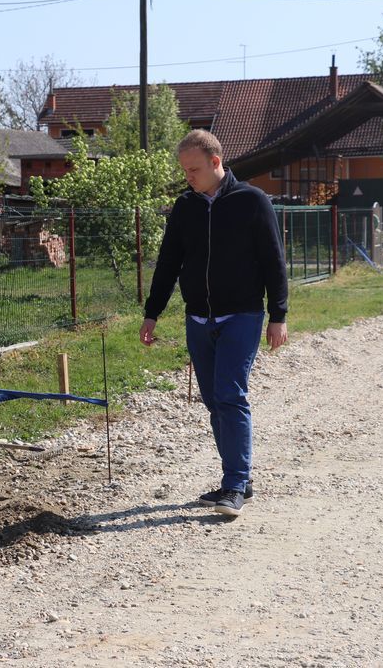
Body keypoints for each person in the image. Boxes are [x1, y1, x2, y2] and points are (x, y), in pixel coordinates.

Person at [140, 129, 288, 516]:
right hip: (198, 318)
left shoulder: (252, 201)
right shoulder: (185, 206)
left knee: (230, 394)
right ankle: (239, 477)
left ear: (216, 162)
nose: (187, 176)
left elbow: (274, 261)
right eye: (184, 170)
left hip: (242, 314)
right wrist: (151, 313)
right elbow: (168, 263)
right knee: (213, 400)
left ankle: (234, 485)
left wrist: (279, 316)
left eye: (193, 169)